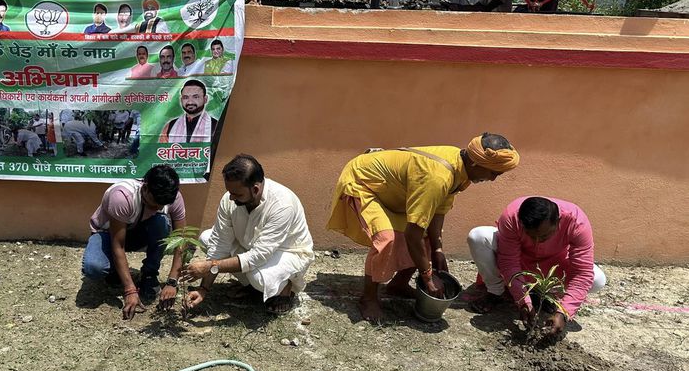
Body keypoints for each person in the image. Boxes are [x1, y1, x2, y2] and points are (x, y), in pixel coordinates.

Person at [327, 133, 520, 323]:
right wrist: (427, 276)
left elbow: (439, 208)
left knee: (426, 236)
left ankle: (398, 285)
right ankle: (368, 298)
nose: (493, 179)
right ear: (476, 164)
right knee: (387, 239)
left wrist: (437, 249)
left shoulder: (461, 166)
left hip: (390, 193)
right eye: (493, 173)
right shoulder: (438, 176)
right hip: (364, 183)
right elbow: (413, 235)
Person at [182, 155, 314, 315]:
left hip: (287, 253)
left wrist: (209, 267)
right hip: (252, 247)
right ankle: (254, 286)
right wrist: (204, 289)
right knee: (206, 238)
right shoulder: (229, 199)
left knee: (257, 277)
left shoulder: (282, 204)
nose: (231, 197)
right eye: (230, 192)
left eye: (237, 194)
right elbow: (219, 244)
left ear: (256, 189)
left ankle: (286, 287)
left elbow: (258, 256)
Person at [466, 196, 606, 343]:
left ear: (558, 221)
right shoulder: (512, 216)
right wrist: (523, 301)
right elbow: (508, 261)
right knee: (478, 236)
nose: (537, 241)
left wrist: (563, 312)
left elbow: (582, 273)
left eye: (544, 236)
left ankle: (541, 294)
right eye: (531, 236)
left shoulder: (577, 222)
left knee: (597, 280)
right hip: (520, 260)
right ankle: (495, 292)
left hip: (553, 265)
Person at [82, 165, 187, 320]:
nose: (156, 207)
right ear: (145, 188)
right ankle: (114, 273)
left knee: (161, 222)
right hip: (107, 234)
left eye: (161, 205)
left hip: (139, 232)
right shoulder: (122, 196)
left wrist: (172, 281)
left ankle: (149, 275)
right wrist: (130, 290)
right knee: (94, 268)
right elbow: (118, 244)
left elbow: (181, 240)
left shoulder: (173, 197)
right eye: (154, 203)